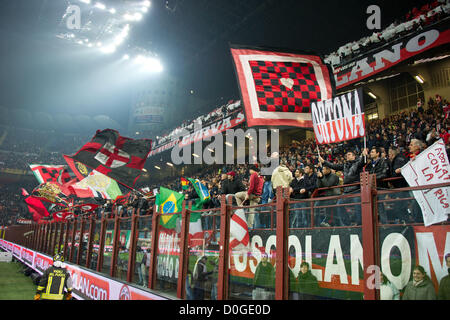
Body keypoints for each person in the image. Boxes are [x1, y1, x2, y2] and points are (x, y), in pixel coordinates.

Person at [319, 149, 366, 226]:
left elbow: (363, 162)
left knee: (358, 206)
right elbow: (334, 166)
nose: (347, 156)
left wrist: (364, 155)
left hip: (356, 189)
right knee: (339, 205)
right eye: (347, 155)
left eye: (349, 154)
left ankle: (360, 224)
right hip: (347, 190)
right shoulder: (345, 165)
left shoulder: (358, 163)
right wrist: (324, 162)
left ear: (354, 156)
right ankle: (346, 224)